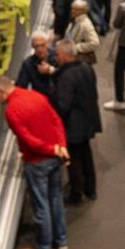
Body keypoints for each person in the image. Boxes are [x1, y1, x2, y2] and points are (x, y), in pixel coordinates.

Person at [0, 73, 69, 249]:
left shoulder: (11, 111)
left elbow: (28, 140)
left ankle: (44, 247)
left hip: (37, 161)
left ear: (1, 91)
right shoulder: (36, 96)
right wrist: (61, 147)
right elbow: (56, 121)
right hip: (55, 157)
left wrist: (51, 149)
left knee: (41, 205)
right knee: (56, 198)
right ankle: (61, 240)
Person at [49, 41, 100, 204]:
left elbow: (63, 104)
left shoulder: (66, 76)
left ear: (65, 54)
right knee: (86, 155)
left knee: (73, 160)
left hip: (73, 125)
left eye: (57, 54)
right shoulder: (86, 68)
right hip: (87, 120)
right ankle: (90, 189)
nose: (55, 57)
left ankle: (76, 193)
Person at [14, 31, 57, 103]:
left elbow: (67, 75)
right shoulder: (28, 63)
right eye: (37, 46)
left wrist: (51, 70)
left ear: (47, 44)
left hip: (58, 99)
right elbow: (21, 86)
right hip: (40, 100)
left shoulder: (57, 56)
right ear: (33, 47)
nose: (40, 49)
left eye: (42, 45)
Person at [62, 0, 99, 66]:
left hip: (77, 59)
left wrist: (76, 48)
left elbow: (95, 43)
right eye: (72, 8)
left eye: (75, 9)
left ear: (82, 11)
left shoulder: (86, 25)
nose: (72, 11)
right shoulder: (75, 20)